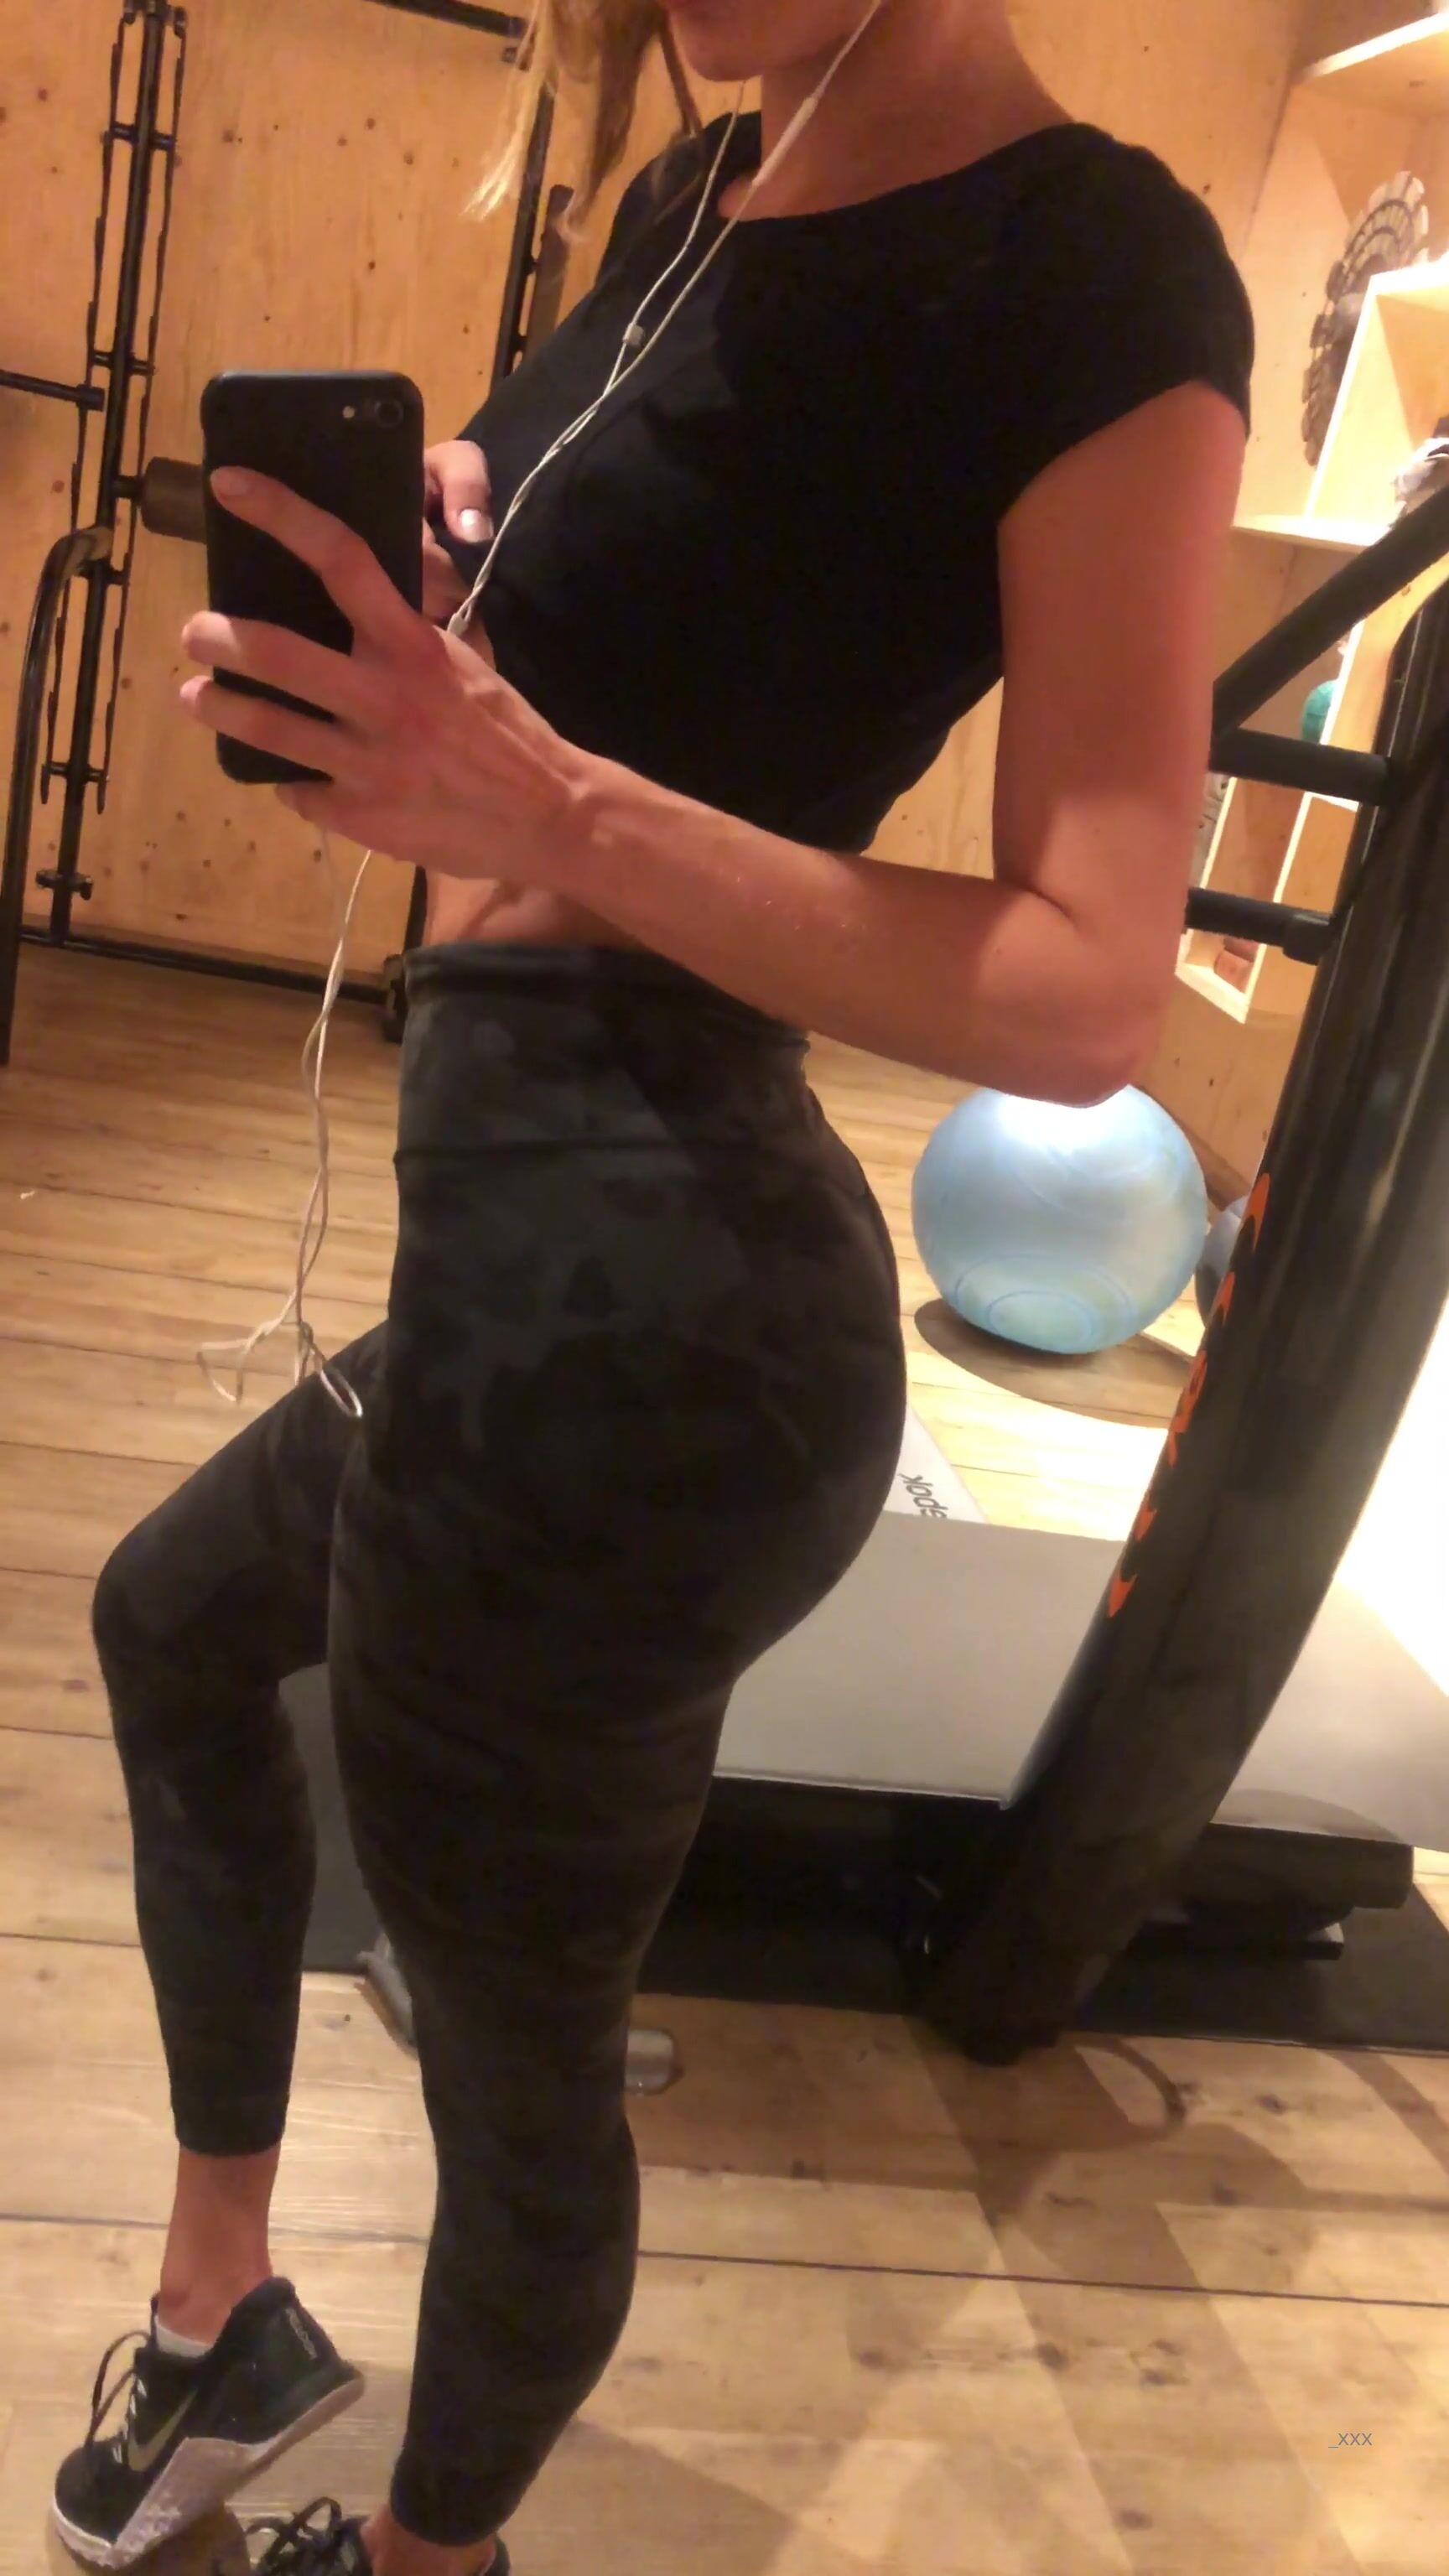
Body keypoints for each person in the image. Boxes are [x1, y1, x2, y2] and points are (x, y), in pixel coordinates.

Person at [51, 2, 1252, 2572]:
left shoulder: (1091, 269)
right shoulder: (696, 187)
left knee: (516, 2068)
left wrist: (544, 792)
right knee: (174, 1625)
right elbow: (619, 660)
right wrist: (463, 579)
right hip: (517, 1260)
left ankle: (433, 2556)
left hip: (658, 1339)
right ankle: (220, 2307)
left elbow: (1086, 985)